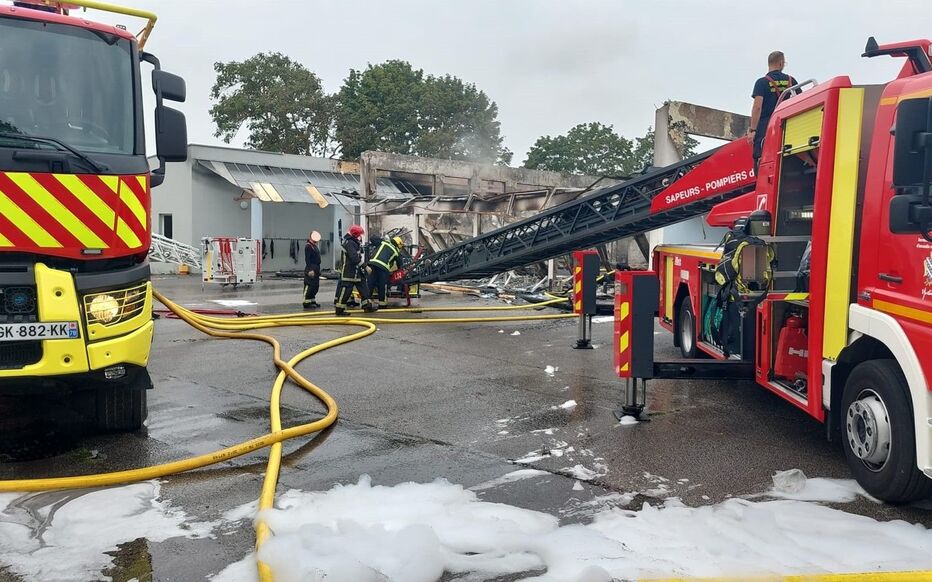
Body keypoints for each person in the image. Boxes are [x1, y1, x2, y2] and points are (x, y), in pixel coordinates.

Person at [749, 51, 797, 169]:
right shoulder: (792, 81)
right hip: (789, 127)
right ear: (781, 63)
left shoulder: (762, 82)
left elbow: (757, 107)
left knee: (762, 161)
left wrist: (752, 130)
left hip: (767, 127)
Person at [334, 224, 374, 316]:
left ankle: (367, 306)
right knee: (346, 291)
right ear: (356, 235)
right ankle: (339, 310)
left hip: (357, 272)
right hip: (349, 272)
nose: (361, 237)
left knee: (364, 288)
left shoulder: (353, 242)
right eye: (360, 235)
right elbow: (354, 257)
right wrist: (365, 266)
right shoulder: (349, 243)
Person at [368, 236, 404, 309]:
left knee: (370, 284)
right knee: (382, 285)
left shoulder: (383, 243)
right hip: (383, 268)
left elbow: (372, 238)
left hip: (372, 264)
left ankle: (367, 304)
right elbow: (400, 265)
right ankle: (382, 304)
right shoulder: (396, 252)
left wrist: (381, 239)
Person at [302, 231, 322, 309]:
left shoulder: (315, 246)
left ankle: (312, 301)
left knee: (315, 286)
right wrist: (310, 270)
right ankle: (306, 302)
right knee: (309, 286)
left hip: (316, 268)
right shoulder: (308, 246)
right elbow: (307, 259)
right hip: (311, 268)